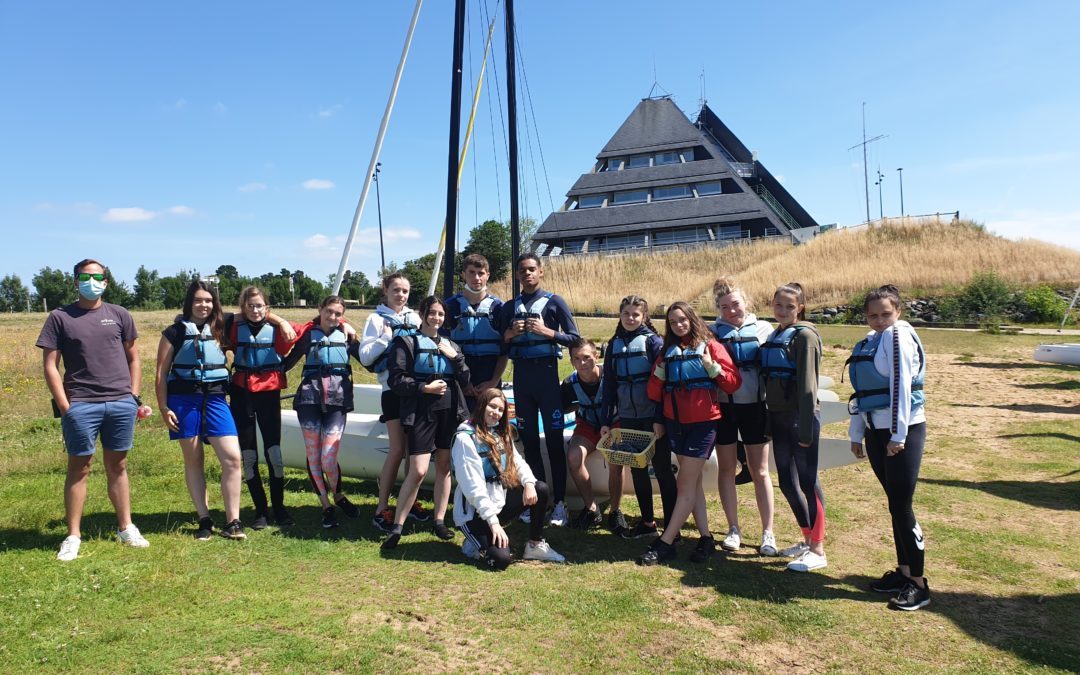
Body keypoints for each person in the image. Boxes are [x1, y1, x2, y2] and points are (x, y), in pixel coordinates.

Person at [37, 258, 150, 561]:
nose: (92, 281)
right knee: (79, 467)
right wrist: (65, 407)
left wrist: (133, 397)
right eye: (85, 277)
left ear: (106, 281)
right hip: (81, 405)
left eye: (97, 276)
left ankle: (126, 527)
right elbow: (50, 365)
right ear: (75, 281)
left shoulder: (119, 315)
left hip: (120, 403)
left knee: (119, 466)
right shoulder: (60, 317)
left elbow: (134, 359)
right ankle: (73, 535)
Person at [637, 302, 741, 566]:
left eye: (682, 319)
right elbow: (653, 392)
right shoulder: (667, 352)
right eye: (673, 322)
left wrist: (712, 368)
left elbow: (732, 383)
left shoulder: (711, 346)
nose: (678, 325)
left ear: (691, 319)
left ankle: (666, 542)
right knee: (692, 484)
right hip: (676, 424)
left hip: (703, 424)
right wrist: (659, 375)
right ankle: (706, 538)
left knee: (684, 483)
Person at [848, 285, 931, 610]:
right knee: (894, 504)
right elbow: (862, 395)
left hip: (902, 433)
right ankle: (904, 572)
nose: (880, 320)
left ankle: (919, 585)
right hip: (876, 431)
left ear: (897, 311)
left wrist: (898, 435)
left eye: (886, 313)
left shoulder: (898, 336)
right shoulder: (870, 341)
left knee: (902, 505)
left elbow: (901, 384)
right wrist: (857, 433)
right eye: (873, 315)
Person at [155, 280, 245, 540]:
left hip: (216, 397)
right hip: (184, 398)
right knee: (194, 459)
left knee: (232, 458)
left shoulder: (222, 326)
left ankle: (233, 521)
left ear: (214, 303)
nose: (203, 305)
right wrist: (163, 407)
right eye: (198, 300)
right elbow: (161, 373)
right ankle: (204, 519)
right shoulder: (174, 332)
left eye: (208, 300)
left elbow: (256, 311)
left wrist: (282, 322)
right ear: (189, 303)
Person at [381, 295, 472, 549]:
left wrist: (456, 357)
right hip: (422, 409)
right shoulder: (406, 342)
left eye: (441, 314)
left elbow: (465, 380)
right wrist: (424, 388)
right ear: (423, 314)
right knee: (418, 470)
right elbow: (396, 380)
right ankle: (397, 525)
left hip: (449, 410)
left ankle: (440, 521)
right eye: (432, 313)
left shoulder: (451, 344)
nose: (437, 318)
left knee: (443, 466)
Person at [496, 253, 580, 527]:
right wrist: (508, 335)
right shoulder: (510, 307)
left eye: (532, 269)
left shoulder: (555, 302)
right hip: (522, 380)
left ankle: (559, 504)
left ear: (541, 272)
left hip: (547, 379)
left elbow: (575, 339)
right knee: (529, 443)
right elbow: (500, 345)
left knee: (555, 443)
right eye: (522, 270)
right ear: (517, 275)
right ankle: (535, 503)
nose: (527, 274)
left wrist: (547, 333)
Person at [451, 388, 565, 569]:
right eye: (492, 407)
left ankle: (534, 545)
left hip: (498, 501)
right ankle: (472, 543)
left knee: (540, 488)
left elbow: (518, 462)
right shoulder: (465, 439)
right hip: (474, 512)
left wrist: (528, 483)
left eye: (500, 410)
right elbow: (474, 488)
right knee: (501, 560)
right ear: (482, 405)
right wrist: (494, 523)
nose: (496, 413)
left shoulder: (499, 432)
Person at [760, 282, 827, 572]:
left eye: (790, 306)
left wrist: (805, 428)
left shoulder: (805, 337)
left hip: (800, 418)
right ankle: (806, 538)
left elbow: (808, 387)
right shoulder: (776, 334)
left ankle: (818, 549)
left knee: (809, 482)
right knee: (787, 482)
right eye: (778, 305)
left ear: (800, 307)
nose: (783, 311)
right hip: (778, 418)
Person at [709, 278, 778, 555]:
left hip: (755, 407)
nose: (731, 311)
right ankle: (733, 529)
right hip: (724, 409)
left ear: (745, 303)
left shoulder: (764, 329)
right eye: (724, 307)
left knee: (760, 471)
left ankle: (768, 533)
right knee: (726, 470)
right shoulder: (712, 332)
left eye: (735, 304)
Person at [598, 295, 676, 539]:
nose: (630, 318)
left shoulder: (652, 342)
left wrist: (660, 419)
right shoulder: (614, 344)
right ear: (620, 315)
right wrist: (605, 420)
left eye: (636, 314)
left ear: (644, 316)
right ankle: (648, 523)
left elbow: (663, 382)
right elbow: (609, 385)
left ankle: (673, 526)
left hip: (653, 416)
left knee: (662, 469)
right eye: (626, 314)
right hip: (629, 418)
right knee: (638, 470)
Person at [281, 296, 359, 529]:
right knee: (314, 456)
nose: (333, 317)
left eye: (338, 314)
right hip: (309, 400)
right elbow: (287, 363)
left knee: (328, 457)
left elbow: (370, 362)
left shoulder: (347, 336)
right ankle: (326, 504)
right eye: (329, 312)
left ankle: (338, 494)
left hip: (338, 400)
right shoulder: (307, 336)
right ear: (320, 310)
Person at [224, 286, 298, 529]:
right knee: (248, 455)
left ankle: (280, 508)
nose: (255, 310)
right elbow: (206, 318)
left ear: (267, 307)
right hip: (241, 392)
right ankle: (260, 511)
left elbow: (312, 329)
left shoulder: (277, 330)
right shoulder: (233, 327)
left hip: (269, 392)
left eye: (260, 306)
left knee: (274, 453)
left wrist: (280, 320)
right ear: (243, 307)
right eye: (250, 306)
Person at [356, 272, 425, 531]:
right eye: (396, 290)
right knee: (396, 450)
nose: (401, 295)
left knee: (411, 452)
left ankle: (409, 502)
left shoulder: (414, 317)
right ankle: (381, 508)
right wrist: (385, 337)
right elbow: (364, 356)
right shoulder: (376, 319)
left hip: (415, 390)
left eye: (405, 291)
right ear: (385, 290)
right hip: (392, 391)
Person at [561, 338, 615, 530]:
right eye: (576, 359)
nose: (582, 363)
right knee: (574, 457)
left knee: (616, 459)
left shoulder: (611, 377)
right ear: (571, 362)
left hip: (613, 424)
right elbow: (560, 408)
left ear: (596, 356)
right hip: (588, 425)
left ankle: (615, 511)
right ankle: (591, 508)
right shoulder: (569, 384)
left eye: (586, 357)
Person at [443, 253, 508, 411]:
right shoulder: (449, 306)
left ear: (488, 275)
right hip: (459, 371)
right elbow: (441, 344)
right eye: (471, 272)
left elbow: (504, 351)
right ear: (463, 275)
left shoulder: (499, 308)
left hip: (489, 372)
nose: (476, 278)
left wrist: (493, 382)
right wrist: (464, 383)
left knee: (489, 423)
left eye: (481, 273)